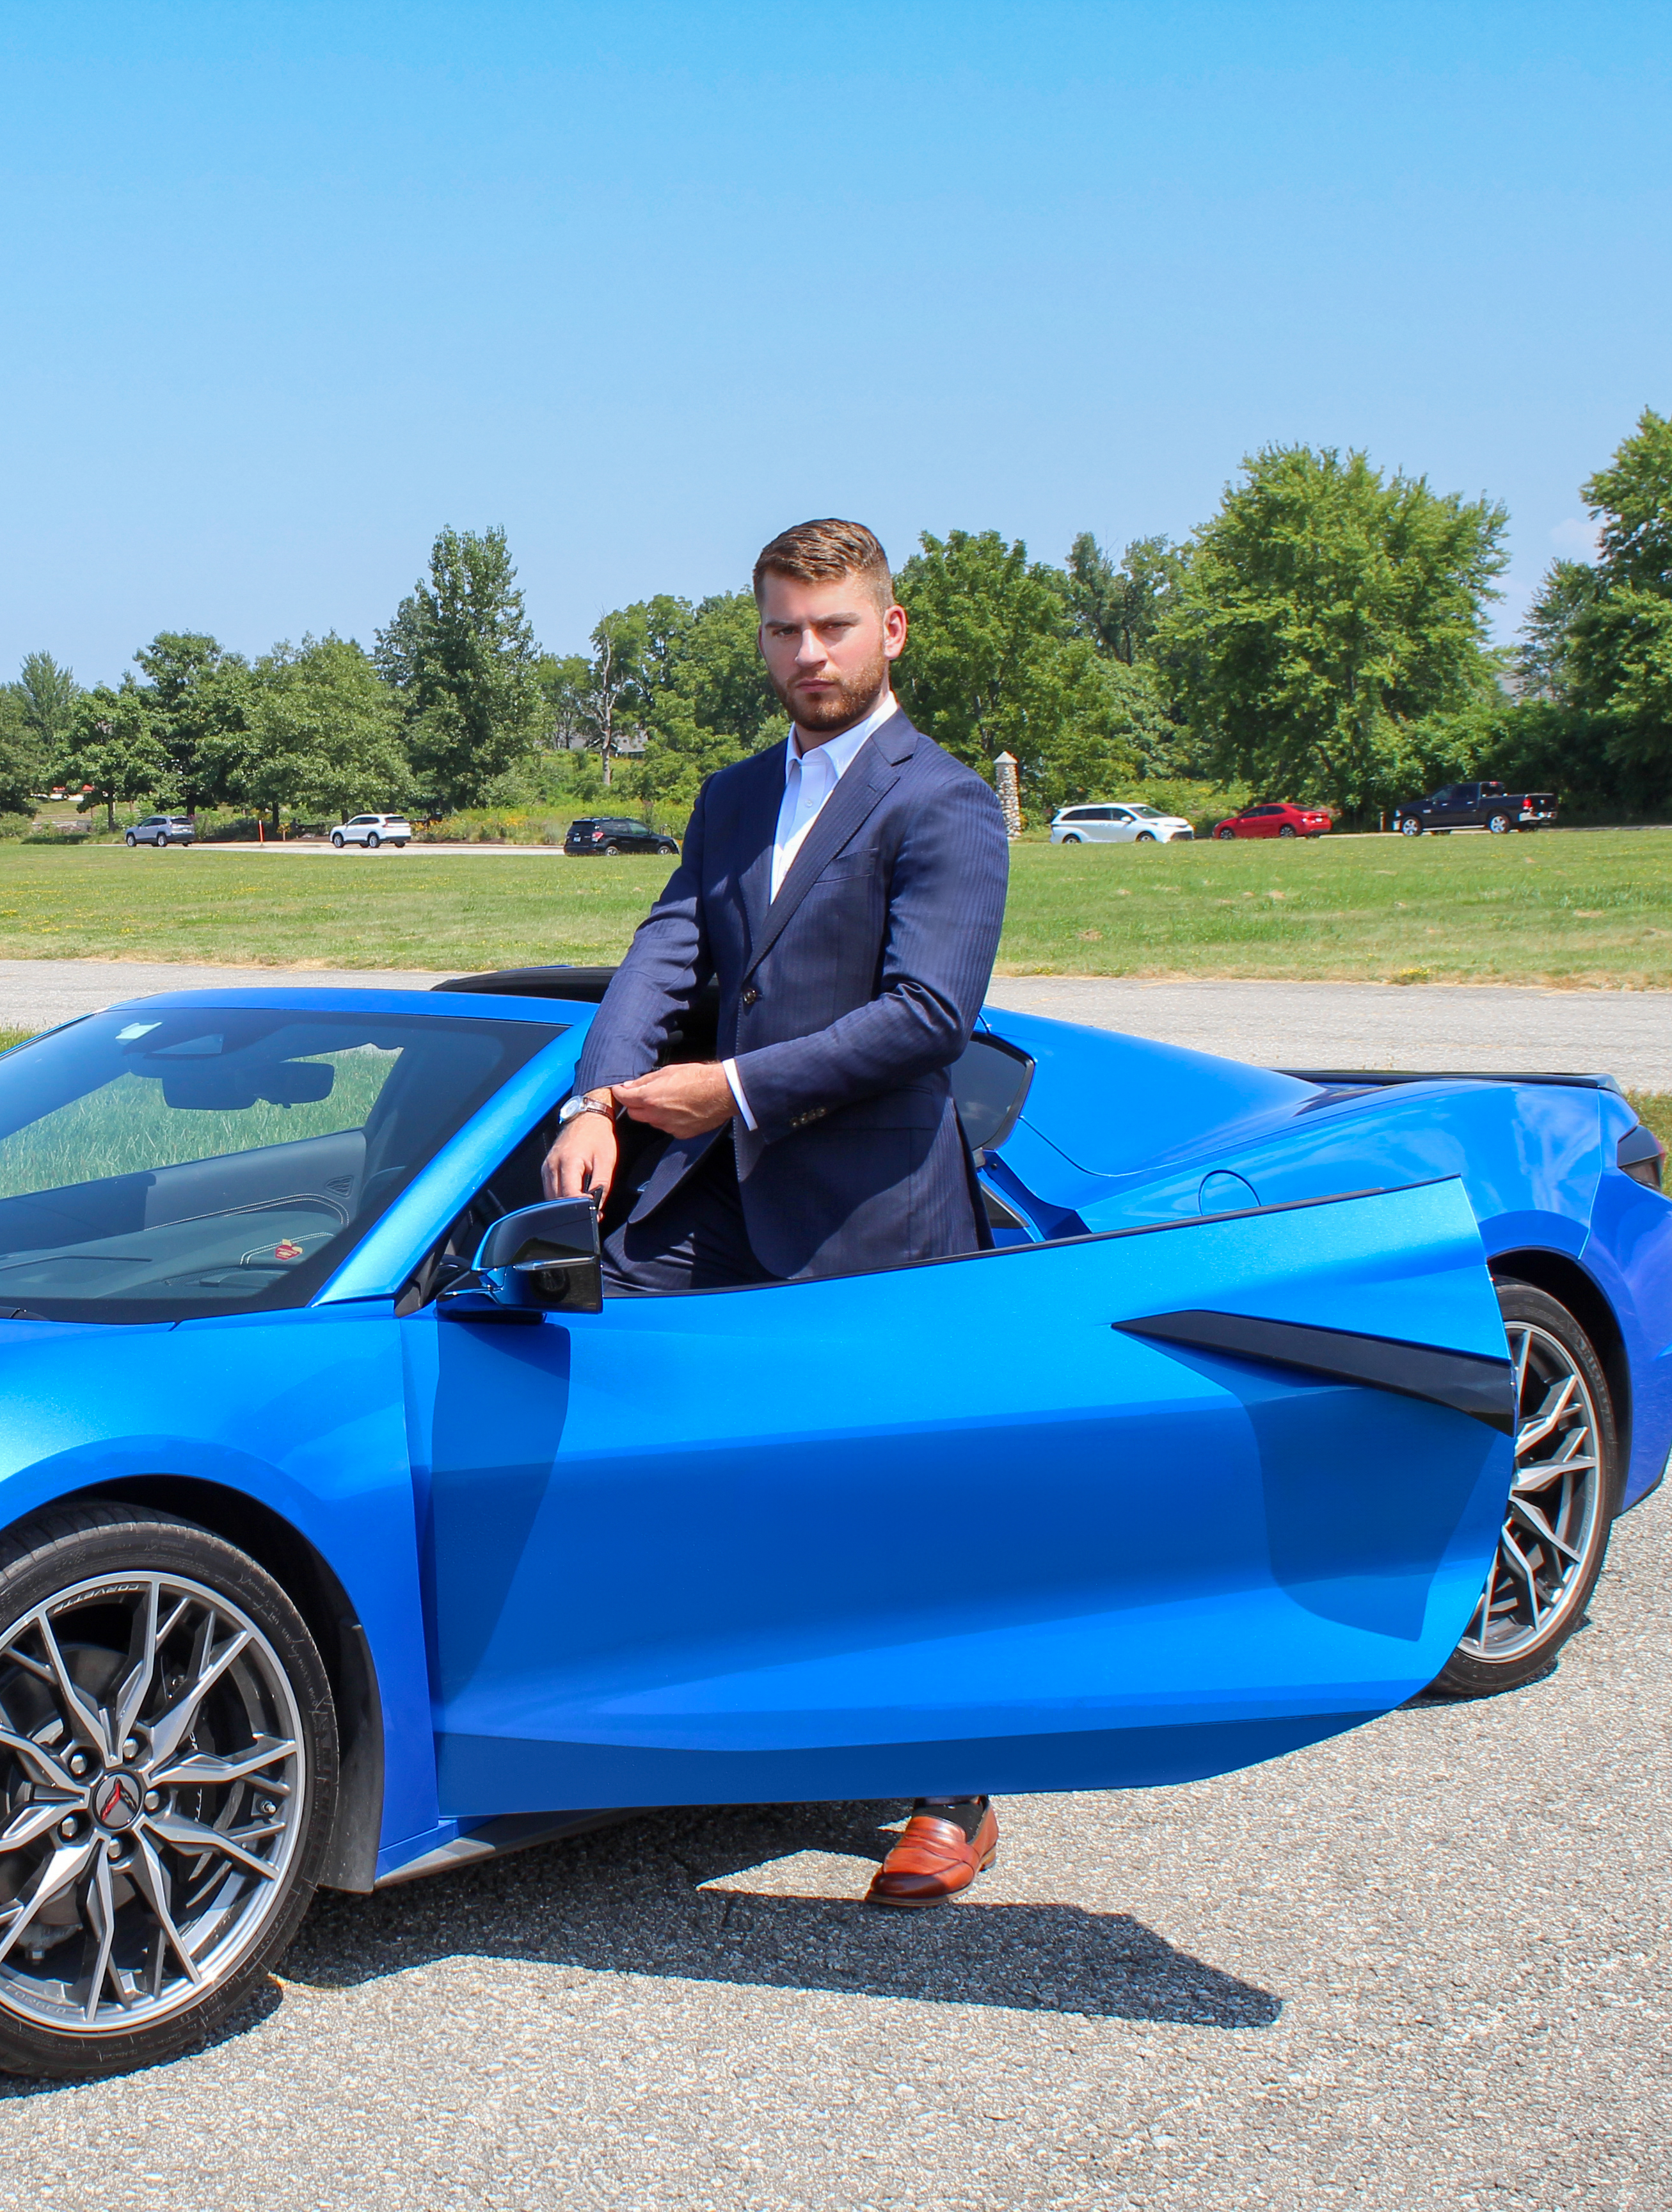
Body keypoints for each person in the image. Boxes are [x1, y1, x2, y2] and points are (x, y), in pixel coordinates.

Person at [539, 517, 1012, 1907]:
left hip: (868, 1215)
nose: (809, 654)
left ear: (892, 629)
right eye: (785, 631)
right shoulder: (736, 793)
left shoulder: (946, 804)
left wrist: (728, 1090)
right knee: (622, 1403)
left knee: (898, 1491)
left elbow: (929, 1018)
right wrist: (597, 1103)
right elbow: (668, 948)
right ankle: (690, 1704)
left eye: (835, 627)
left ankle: (953, 1788)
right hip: (709, 1195)